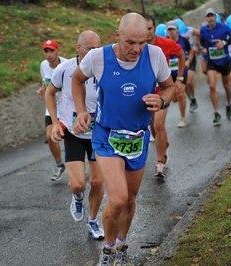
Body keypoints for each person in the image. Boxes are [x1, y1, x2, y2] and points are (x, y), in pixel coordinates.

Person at [71, 12, 175, 266]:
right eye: (131, 42)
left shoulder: (155, 56)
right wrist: (82, 110)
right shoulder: (98, 57)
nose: (137, 49)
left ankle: (121, 244)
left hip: (137, 138)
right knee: (117, 199)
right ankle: (107, 251)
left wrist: (162, 100)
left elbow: (171, 88)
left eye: (142, 42)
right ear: (118, 36)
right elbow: (76, 79)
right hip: (106, 136)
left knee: (129, 199)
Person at [45, 30, 105, 240]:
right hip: (74, 133)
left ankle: (93, 221)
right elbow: (49, 93)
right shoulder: (64, 69)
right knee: (78, 183)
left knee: (97, 182)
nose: (95, 52)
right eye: (91, 48)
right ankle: (77, 196)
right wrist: (54, 123)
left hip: (99, 133)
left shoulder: (106, 67)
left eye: (99, 48)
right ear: (78, 48)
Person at [144, 14, 186, 178]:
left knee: (159, 125)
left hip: (163, 91)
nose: (147, 32)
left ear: (155, 28)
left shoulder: (165, 43)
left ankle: (160, 162)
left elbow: (181, 54)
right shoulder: (136, 47)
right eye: (144, 28)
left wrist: (180, 79)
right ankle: (164, 144)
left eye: (150, 28)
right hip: (147, 92)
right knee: (153, 126)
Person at [36, 40, 66, 181]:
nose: (49, 55)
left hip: (66, 107)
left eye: (51, 50)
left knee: (71, 137)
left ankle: (77, 163)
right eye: (46, 51)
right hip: (52, 107)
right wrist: (43, 88)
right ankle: (59, 165)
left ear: (57, 51)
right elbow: (45, 79)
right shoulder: (43, 64)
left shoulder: (67, 65)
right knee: (50, 137)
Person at [200, 8, 231, 126]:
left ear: (215, 17)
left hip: (224, 61)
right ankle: (216, 112)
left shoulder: (224, 27)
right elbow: (202, 41)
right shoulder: (203, 30)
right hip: (212, 61)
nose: (210, 18)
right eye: (208, 16)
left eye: (212, 15)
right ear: (206, 18)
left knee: (226, 86)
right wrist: (203, 48)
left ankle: (228, 104)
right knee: (212, 85)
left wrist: (224, 43)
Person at [166, 20, 194, 127]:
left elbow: (191, 51)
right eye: (170, 30)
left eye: (173, 29)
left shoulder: (184, 40)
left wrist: (188, 61)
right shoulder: (164, 42)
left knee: (180, 94)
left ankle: (182, 118)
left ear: (177, 30)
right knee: (174, 98)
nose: (172, 32)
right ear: (167, 31)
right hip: (169, 73)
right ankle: (190, 99)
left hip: (182, 72)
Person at [179, 22, 200, 113]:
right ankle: (192, 99)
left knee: (188, 82)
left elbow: (200, 33)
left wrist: (197, 45)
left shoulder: (189, 30)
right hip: (181, 60)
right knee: (185, 84)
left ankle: (193, 97)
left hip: (190, 58)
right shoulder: (172, 32)